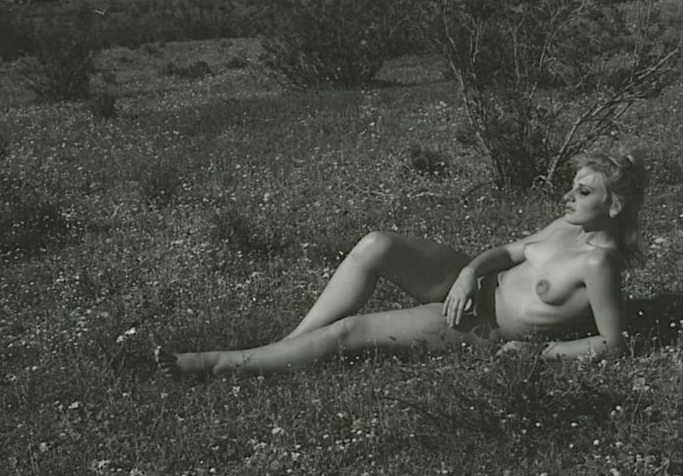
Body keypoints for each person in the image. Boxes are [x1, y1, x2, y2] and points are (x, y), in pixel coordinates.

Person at [158, 148, 648, 378]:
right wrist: (468, 271)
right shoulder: (568, 225)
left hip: (484, 326)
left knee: (349, 332)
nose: (567, 195)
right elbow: (512, 251)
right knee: (376, 244)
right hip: (476, 288)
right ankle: (284, 346)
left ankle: (217, 363)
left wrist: (538, 355)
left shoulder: (598, 264)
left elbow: (613, 344)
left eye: (583, 191)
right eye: (572, 185)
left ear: (615, 205)